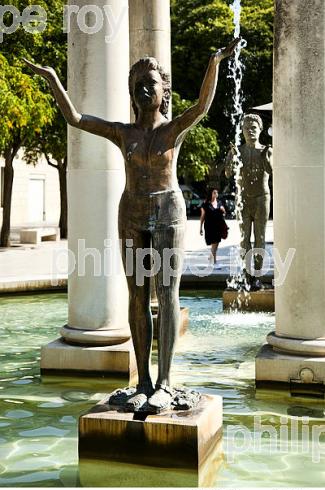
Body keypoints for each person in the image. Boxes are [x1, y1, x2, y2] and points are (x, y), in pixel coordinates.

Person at [24, 38, 239, 413]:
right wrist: (53, 78)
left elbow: (203, 106)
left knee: (168, 294)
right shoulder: (124, 133)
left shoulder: (173, 130)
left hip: (169, 214)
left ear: (163, 91)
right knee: (137, 296)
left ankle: (166, 381)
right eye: (137, 82)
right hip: (132, 214)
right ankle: (141, 381)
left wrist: (215, 60)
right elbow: (76, 119)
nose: (144, 87)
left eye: (150, 82)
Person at [225, 113, 273, 289]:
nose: (250, 131)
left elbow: (272, 171)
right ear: (242, 131)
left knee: (260, 238)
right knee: (244, 239)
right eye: (246, 128)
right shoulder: (239, 151)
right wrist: (232, 158)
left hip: (261, 198)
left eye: (253, 128)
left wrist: (267, 158)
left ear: (260, 130)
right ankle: (246, 273)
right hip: (243, 199)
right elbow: (228, 174)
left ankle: (258, 276)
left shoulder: (267, 150)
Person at [200, 188, 226, 265]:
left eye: (217, 193)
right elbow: (202, 216)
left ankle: (211, 257)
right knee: (214, 244)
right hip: (209, 227)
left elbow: (224, 213)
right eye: (214, 193)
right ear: (211, 194)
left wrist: (222, 210)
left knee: (216, 244)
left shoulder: (219, 203)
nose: (216, 194)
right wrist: (200, 228)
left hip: (218, 226)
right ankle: (214, 262)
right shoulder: (205, 204)